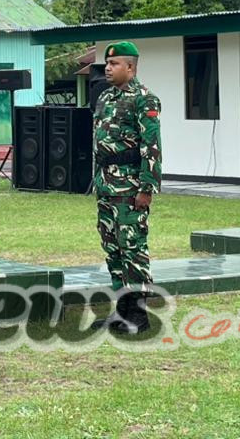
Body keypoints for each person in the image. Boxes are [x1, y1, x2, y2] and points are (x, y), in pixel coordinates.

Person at [89, 41, 162, 334]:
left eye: (115, 63)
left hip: (130, 187)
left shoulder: (145, 99)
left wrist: (147, 188)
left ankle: (139, 314)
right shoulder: (105, 97)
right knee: (113, 247)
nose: (108, 68)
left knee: (133, 247)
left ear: (130, 67)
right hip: (106, 185)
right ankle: (121, 310)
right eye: (107, 63)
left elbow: (152, 146)